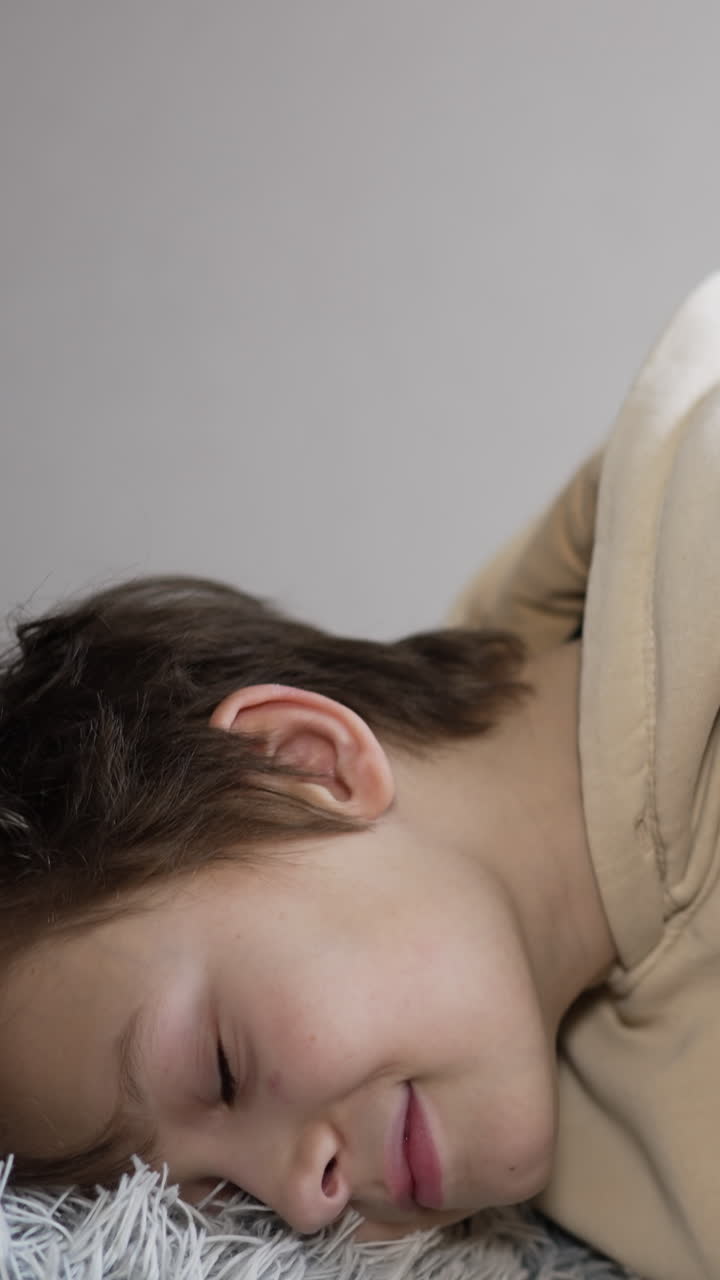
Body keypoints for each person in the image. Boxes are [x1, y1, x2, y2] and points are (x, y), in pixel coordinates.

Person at [1, 276, 719, 1280]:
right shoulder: (608, 1170)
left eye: (221, 1068)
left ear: (301, 765)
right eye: (225, 1199)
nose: (303, 1197)